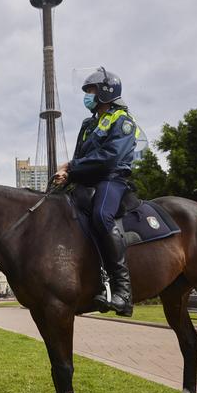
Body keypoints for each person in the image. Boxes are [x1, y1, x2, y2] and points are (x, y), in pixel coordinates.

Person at [53, 67, 140, 317]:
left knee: (102, 216)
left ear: (104, 92)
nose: (87, 96)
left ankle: (123, 291)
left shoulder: (122, 119)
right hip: (87, 180)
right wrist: (67, 174)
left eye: (90, 91)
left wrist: (72, 166)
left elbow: (110, 157)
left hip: (112, 179)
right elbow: (82, 156)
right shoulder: (89, 124)